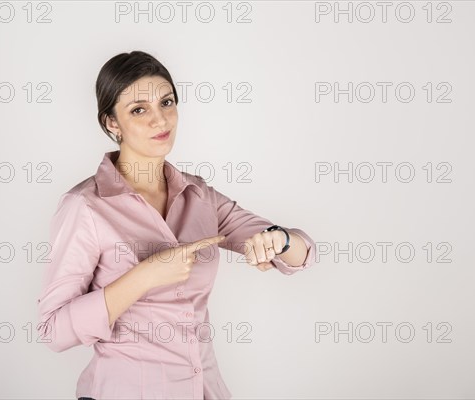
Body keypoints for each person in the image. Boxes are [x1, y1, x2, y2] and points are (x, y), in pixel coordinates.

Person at [36, 50, 316, 400]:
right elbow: (53, 330)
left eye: (167, 102)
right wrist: (144, 276)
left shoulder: (199, 195)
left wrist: (280, 241)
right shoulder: (85, 207)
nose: (160, 120)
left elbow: (301, 252)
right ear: (111, 122)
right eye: (139, 109)